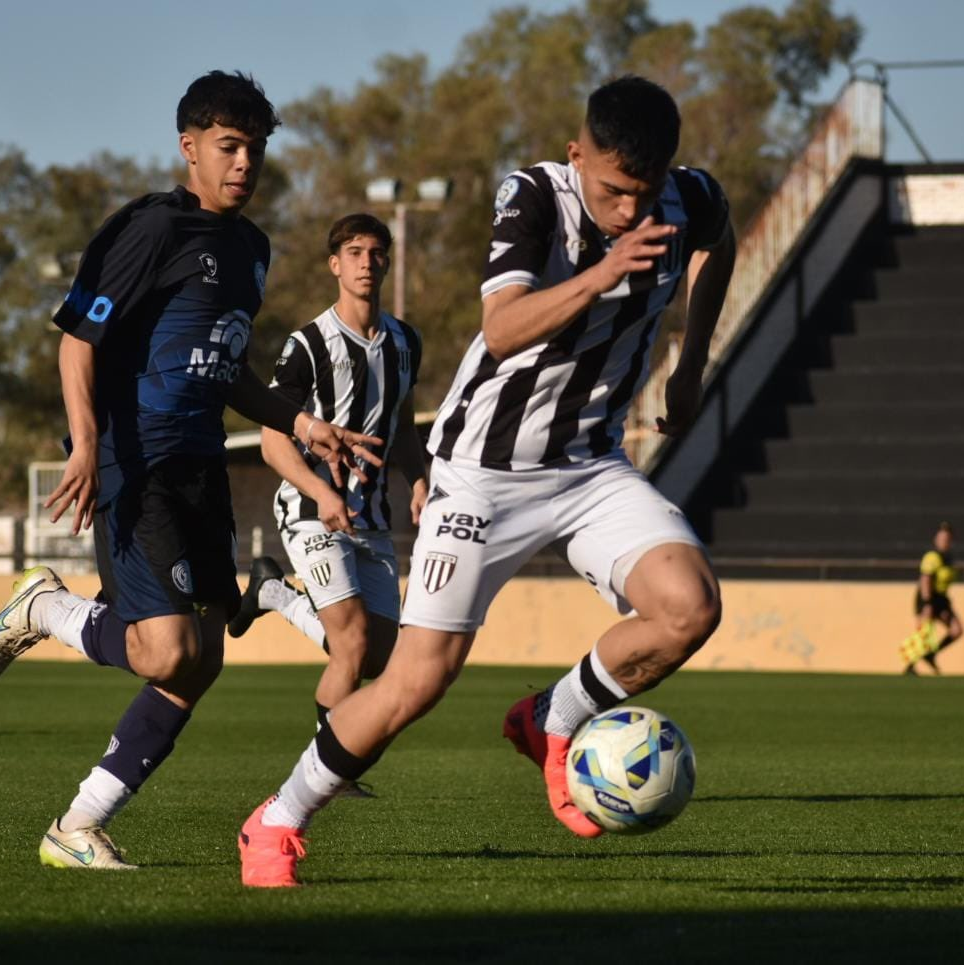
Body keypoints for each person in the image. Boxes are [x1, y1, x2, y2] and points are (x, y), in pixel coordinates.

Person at [237, 75, 736, 887]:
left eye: (642, 195)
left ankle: (551, 718)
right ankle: (276, 818)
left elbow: (722, 239)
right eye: (611, 191)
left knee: (690, 608)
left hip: (588, 465)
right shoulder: (534, 195)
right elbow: (501, 328)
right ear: (578, 157)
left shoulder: (688, 199)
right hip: (482, 473)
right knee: (417, 679)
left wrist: (691, 364)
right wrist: (602, 272)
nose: (627, 210)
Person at [0, 70, 380, 871]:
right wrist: (87, 444)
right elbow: (77, 339)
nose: (243, 164)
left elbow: (221, 365)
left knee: (202, 658)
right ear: (189, 147)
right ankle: (48, 609)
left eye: (255, 150)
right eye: (228, 147)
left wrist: (295, 419)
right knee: (165, 650)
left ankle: (77, 826)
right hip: (136, 457)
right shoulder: (150, 230)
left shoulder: (252, 250)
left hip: (197, 462)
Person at [228, 213, 426, 748]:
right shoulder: (310, 344)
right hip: (311, 509)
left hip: (374, 518)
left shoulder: (407, 342)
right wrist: (320, 492)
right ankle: (327, 766)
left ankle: (274, 593)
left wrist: (422, 478)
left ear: (388, 260)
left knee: (382, 657)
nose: (366, 262)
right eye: (354, 252)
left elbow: (401, 429)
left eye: (376, 252)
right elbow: (273, 440)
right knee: (352, 642)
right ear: (335, 265)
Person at [903, 522, 963, 675]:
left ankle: (931, 655)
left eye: (947, 539)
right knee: (925, 632)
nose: (945, 542)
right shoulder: (932, 557)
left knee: (956, 630)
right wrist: (928, 603)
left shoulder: (948, 559)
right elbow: (925, 580)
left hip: (941, 599)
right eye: (942, 539)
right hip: (928, 598)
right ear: (936, 540)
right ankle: (910, 664)